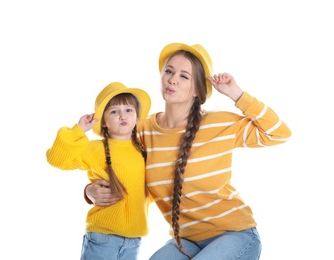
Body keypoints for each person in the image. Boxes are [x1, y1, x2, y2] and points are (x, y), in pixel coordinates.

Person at [84, 43, 292, 259]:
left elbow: (279, 133)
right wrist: (90, 190)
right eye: (169, 71)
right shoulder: (142, 129)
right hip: (185, 240)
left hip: (235, 235)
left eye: (184, 76)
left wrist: (236, 94)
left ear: (197, 89)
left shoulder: (218, 124)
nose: (172, 79)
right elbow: (113, 158)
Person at [46, 82, 151, 260]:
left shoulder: (143, 149)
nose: (122, 115)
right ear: (104, 122)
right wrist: (77, 130)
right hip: (103, 238)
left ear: (137, 117)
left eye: (128, 110)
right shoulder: (96, 148)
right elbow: (57, 159)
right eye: (114, 111)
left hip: (134, 240)